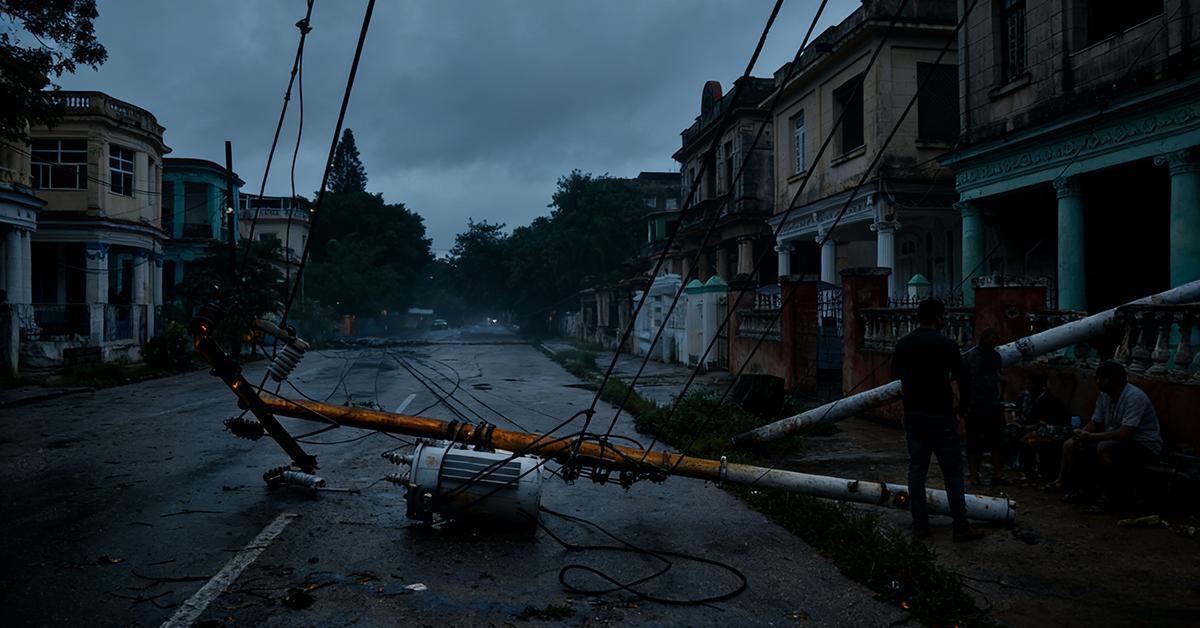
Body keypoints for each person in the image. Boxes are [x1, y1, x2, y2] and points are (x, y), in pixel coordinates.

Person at [892, 298, 982, 542]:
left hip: (914, 415)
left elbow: (895, 375)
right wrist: (962, 407)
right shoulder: (947, 344)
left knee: (917, 471)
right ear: (938, 317)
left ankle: (921, 526)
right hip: (941, 415)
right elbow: (964, 377)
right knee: (952, 472)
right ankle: (960, 527)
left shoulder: (904, 344)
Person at [1052, 361, 1163, 511]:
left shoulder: (1134, 397)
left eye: (1101, 379)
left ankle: (1110, 497)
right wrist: (1081, 434)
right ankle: (1083, 490)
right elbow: (1095, 422)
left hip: (1144, 445)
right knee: (1071, 445)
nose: (1097, 381)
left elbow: (1125, 433)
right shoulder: (1105, 396)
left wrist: (1091, 437)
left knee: (1104, 447)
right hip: (1116, 440)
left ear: (1113, 381)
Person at [962, 328, 1007, 485]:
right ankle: (977, 474)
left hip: (988, 403)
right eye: (993, 337)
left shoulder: (993, 356)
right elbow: (969, 380)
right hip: (978, 403)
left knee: (993, 440)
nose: (996, 341)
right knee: (976, 441)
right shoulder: (975, 356)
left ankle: (994, 473)